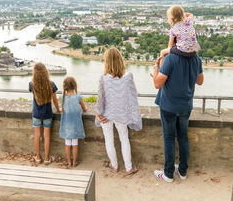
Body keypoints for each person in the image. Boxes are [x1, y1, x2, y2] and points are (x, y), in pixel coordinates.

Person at [152, 46, 204, 182]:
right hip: (185, 106)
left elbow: (157, 84)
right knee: (183, 137)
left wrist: (156, 66)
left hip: (168, 106)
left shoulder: (171, 59)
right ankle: (182, 171)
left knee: (169, 138)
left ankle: (168, 174)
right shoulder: (196, 58)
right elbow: (200, 81)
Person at [95, 47, 142, 175]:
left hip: (106, 114)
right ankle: (128, 168)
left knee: (108, 139)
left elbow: (100, 98)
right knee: (124, 139)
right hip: (121, 114)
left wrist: (97, 113)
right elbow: (132, 95)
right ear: (121, 60)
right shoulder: (128, 77)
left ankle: (114, 166)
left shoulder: (103, 78)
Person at [29, 62, 61, 164]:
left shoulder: (32, 84)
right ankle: (47, 159)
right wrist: (58, 108)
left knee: (37, 135)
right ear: (45, 72)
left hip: (37, 113)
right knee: (47, 136)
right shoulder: (51, 84)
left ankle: (38, 158)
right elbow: (55, 100)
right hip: (47, 113)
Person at [59, 76, 87, 168]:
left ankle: (69, 162)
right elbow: (84, 107)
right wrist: (85, 108)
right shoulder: (78, 97)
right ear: (75, 86)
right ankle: (74, 162)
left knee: (67, 144)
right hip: (76, 126)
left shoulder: (62, 97)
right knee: (75, 144)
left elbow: (62, 109)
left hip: (67, 126)